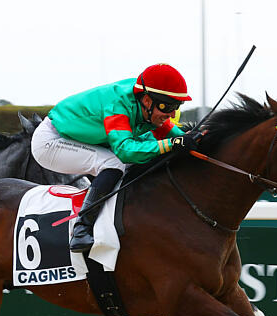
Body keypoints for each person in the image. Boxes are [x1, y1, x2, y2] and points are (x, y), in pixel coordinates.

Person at [31, 63, 198, 253]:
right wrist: (173, 143)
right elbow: (125, 151)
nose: (172, 114)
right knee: (114, 163)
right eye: (168, 107)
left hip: (76, 138)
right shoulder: (118, 105)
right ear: (147, 100)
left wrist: (188, 138)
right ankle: (81, 228)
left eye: (177, 106)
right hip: (51, 141)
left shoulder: (144, 100)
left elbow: (165, 128)